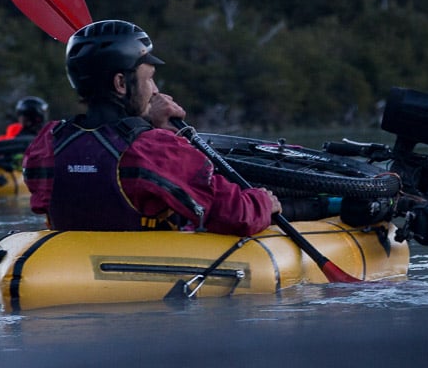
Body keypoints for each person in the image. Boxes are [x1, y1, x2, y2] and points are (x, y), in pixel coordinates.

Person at [22, 20, 281, 234]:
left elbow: (93, 168)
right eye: (150, 79)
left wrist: (148, 125)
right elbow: (235, 215)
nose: (155, 90)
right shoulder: (153, 148)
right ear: (121, 83)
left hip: (71, 262)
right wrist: (262, 203)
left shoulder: (49, 142)